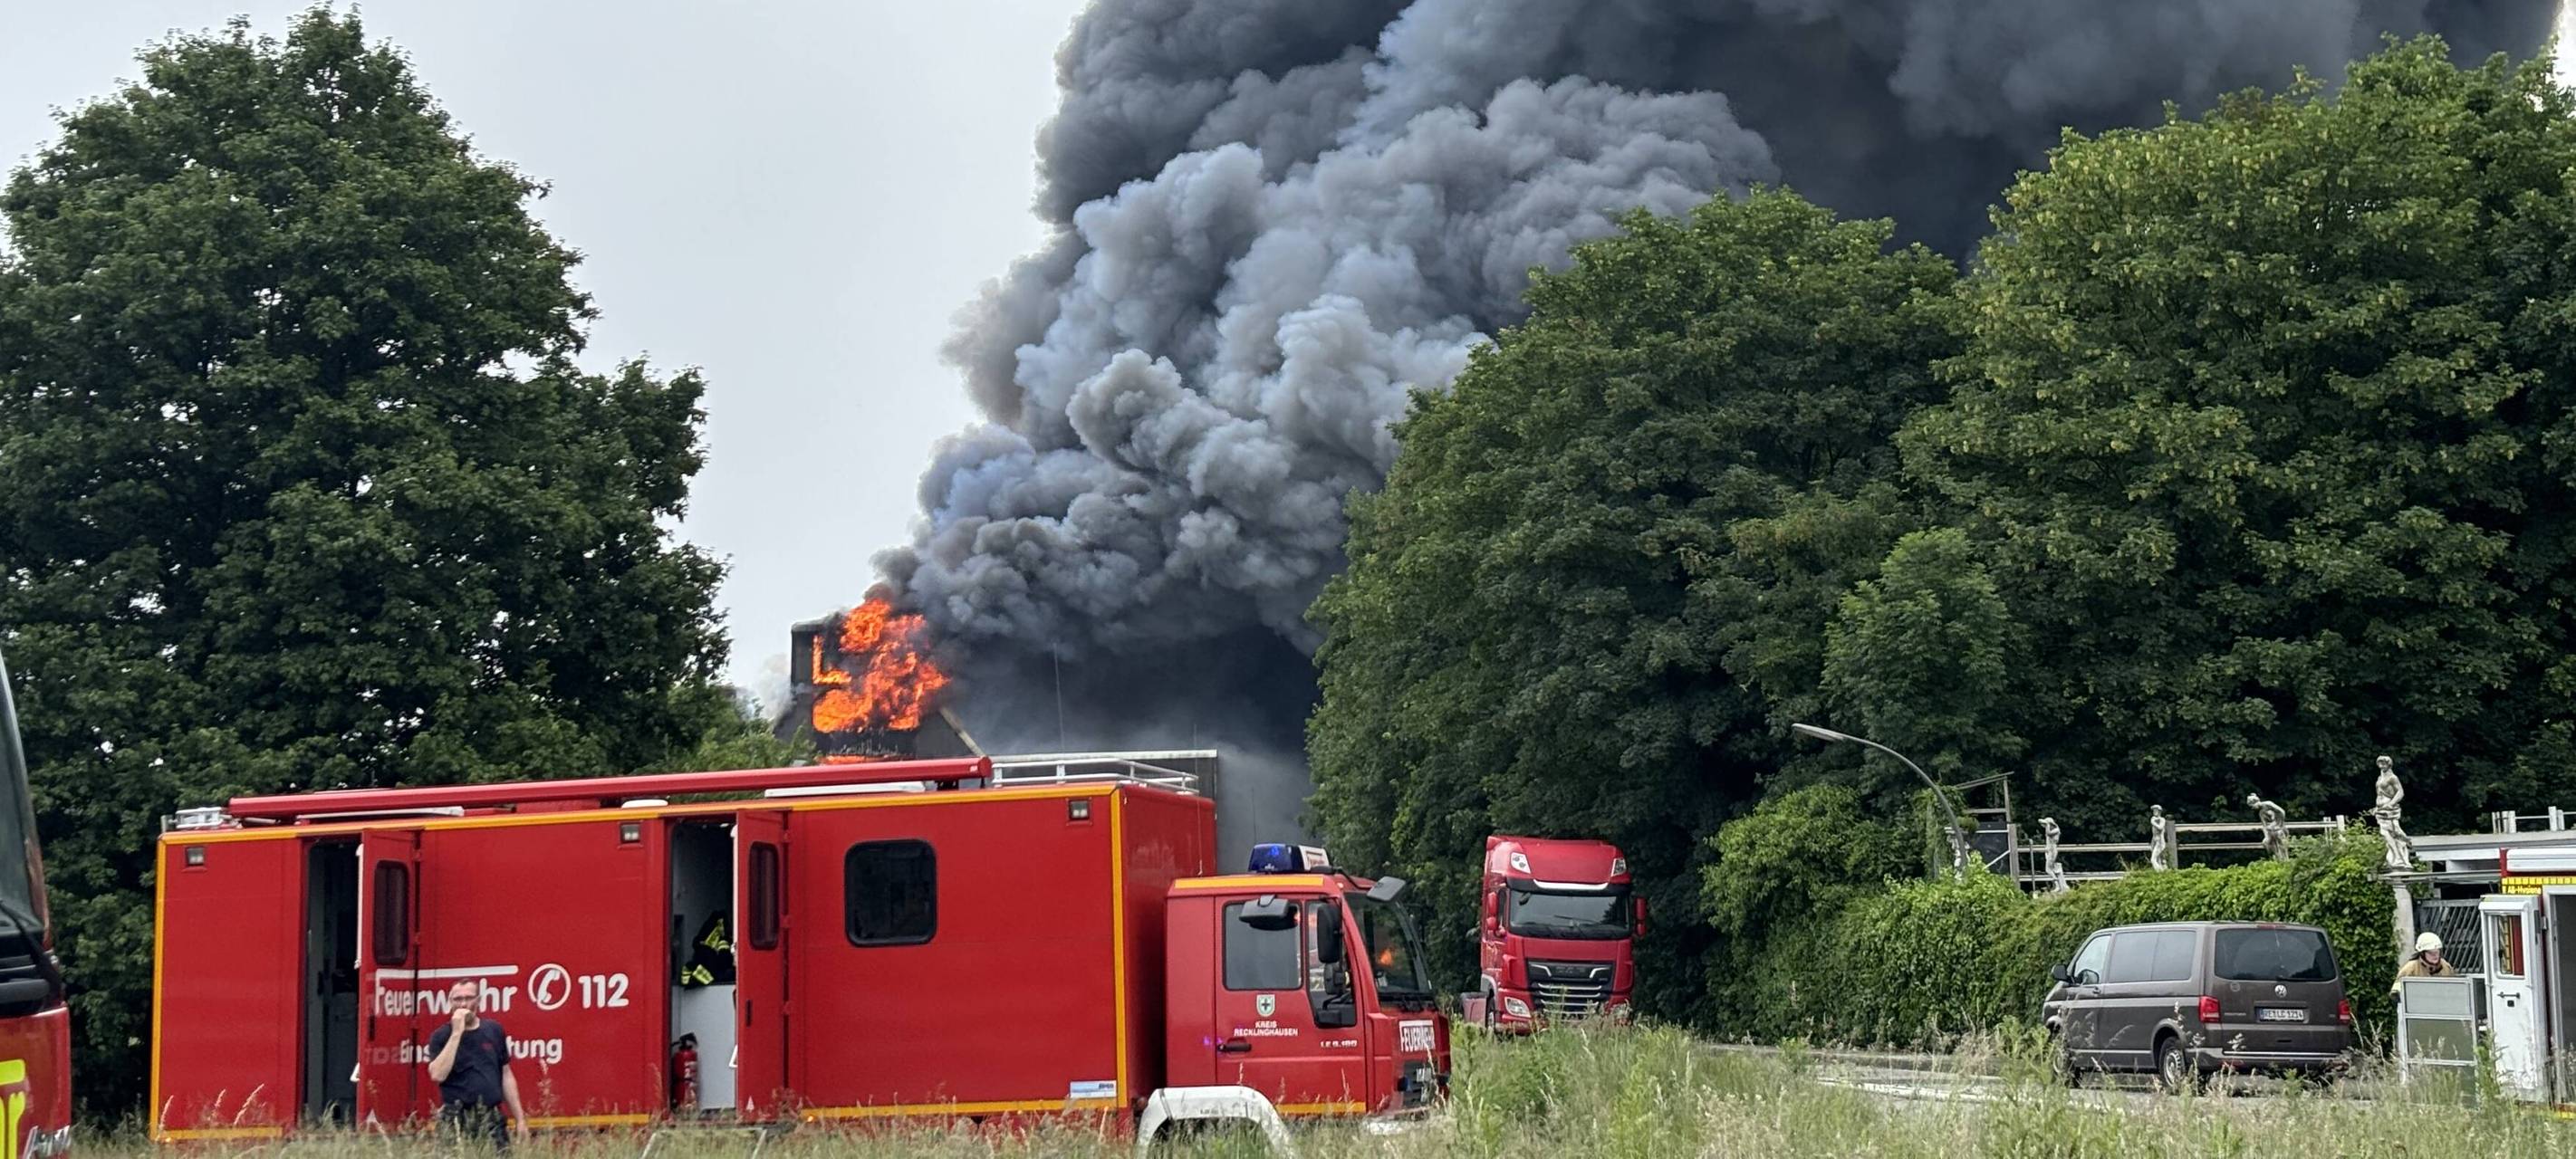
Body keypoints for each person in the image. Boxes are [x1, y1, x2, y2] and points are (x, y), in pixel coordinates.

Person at [426, 980, 527, 1149]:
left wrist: (520, 1119)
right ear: (450, 1002)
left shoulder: (494, 1030)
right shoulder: (441, 1036)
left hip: (492, 1118)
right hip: (456, 1120)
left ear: (479, 1000)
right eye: (458, 999)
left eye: (469, 998)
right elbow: (437, 1074)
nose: (464, 1004)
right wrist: (457, 1033)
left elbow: (506, 1074)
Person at [2391, 931, 2456, 994]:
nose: (2435, 955)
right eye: (2431, 953)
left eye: (2437, 952)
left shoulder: (2446, 967)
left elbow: (2455, 990)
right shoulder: (2410, 969)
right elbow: (2396, 993)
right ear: (2422, 953)